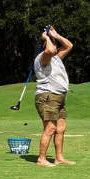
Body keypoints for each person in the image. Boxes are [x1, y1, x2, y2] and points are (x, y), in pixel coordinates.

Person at [33, 27, 76, 167]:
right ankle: (41, 159)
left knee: (61, 127)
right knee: (50, 128)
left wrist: (55, 35)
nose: (55, 45)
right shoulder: (42, 58)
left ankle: (59, 158)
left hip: (59, 96)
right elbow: (50, 50)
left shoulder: (56, 58)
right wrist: (46, 38)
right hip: (47, 96)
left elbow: (69, 45)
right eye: (52, 42)